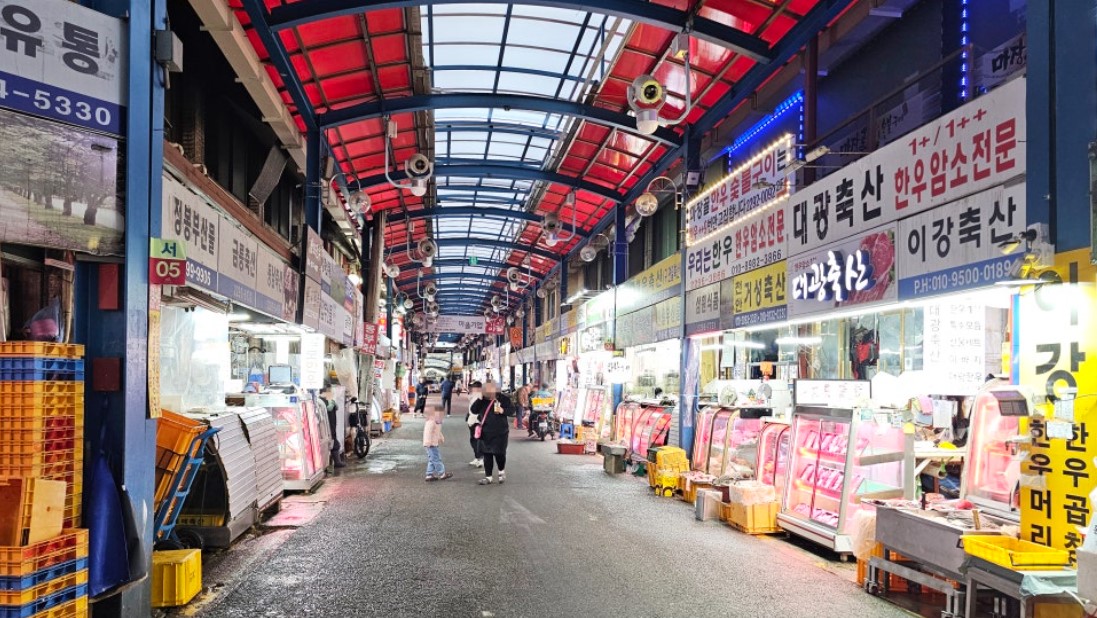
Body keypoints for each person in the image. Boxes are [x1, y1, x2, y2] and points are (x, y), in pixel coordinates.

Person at [470, 382, 515, 485]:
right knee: (487, 454)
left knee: (500, 453)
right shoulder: (482, 400)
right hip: (485, 432)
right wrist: (479, 399)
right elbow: (473, 410)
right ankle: (488, 477)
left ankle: (501, 471)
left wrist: (503, 410)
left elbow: (512, 410)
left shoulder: (503, 399)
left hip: (501, 432)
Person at [319, 384, 345, 469]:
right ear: (326, 392)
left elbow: (335, 408)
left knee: (333, 443)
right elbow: (329, 410)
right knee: (333, 444)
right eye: (330, 391)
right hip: (327, 427)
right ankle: (335, 463)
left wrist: (332, 402)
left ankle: (334, 462)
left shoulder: (328, 401)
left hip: (331, 426)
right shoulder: (321, 402)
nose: (332, 393)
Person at [422, 409, 452, 482]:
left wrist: (441, 438)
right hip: (431, 444)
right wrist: (429, 442)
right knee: (436, 458)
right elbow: (428, 432)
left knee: (432, 459)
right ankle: (442, 473)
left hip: (432, 443)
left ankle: (429, 474)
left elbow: (437, 431)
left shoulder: (435, 421)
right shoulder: (432, 421)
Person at [465, 383, 484, 468]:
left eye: (474, 387)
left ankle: (480, 459)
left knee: (477, 441)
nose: (472, 389)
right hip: (472, 421)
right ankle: (477, 457)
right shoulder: (473, 396)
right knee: (473, 440)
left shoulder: (480, 397)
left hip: (477, 421)